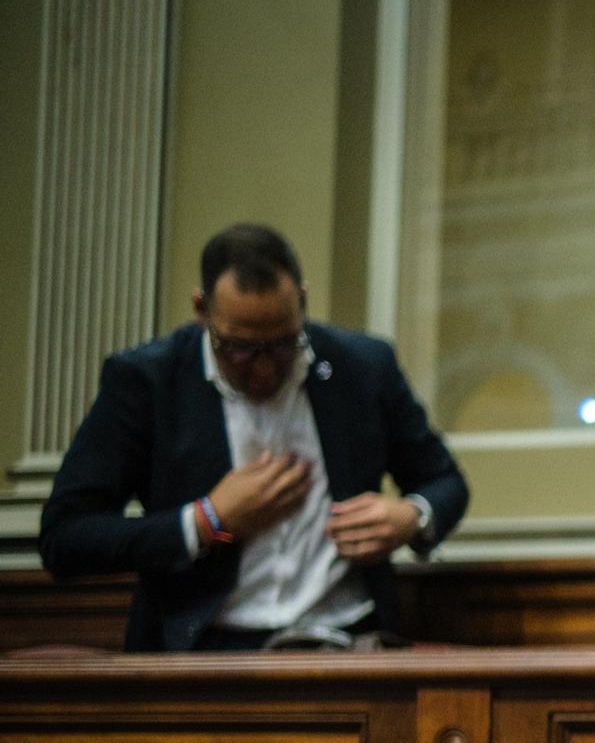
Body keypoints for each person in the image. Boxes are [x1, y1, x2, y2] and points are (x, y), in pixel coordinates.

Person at [39, 223, 467, 652]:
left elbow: (446, 483)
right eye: (239, 349)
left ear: (302, 300)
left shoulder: (363, 366)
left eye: (282, 345)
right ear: (201, 310)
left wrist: (412, 517)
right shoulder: (147, 382)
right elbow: (66, 538)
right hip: (208, 653)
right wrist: (208, 522)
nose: (263, 370)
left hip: (349, 640)